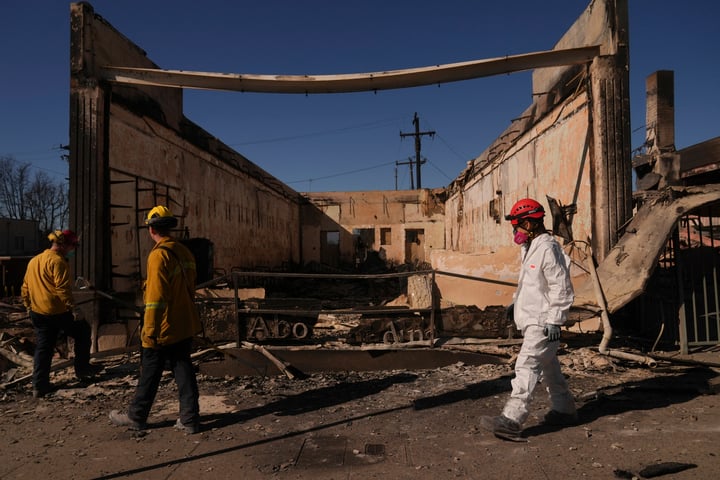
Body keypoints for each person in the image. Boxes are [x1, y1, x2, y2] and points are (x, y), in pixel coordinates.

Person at [480, 198, 577, 442]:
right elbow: (531, 286)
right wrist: (515, 305)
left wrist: (555, 320)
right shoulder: (529, 248)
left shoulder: (548, 248)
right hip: (533, 318)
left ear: (531, 223)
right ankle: (564, 409)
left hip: (543, 321)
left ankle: (512, 419)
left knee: (526, 364)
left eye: (518, 225)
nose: (515, 231)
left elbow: (561, 287)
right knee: (548, 366)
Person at [109, 205, 202, 434]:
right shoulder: (184, 252)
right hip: (184, 322)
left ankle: (136, 416)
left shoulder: (158, 255)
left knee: (150, 370)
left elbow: (155, 299)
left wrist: (149, 330)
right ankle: (189, 419)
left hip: (163, 326)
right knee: (183, 368)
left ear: (151, 229)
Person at [22, 229, 100, 398]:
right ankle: (83, 370)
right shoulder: (58, 262)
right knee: (82, 331)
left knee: (44, 347)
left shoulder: (34, 261)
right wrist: (74, 309)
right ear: (65, 245)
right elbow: (62, 289)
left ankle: (39, 385)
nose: (73, 250)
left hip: (37, 312)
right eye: (73, 246)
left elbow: (25, 288)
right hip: (56, 311)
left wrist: (28, 306)